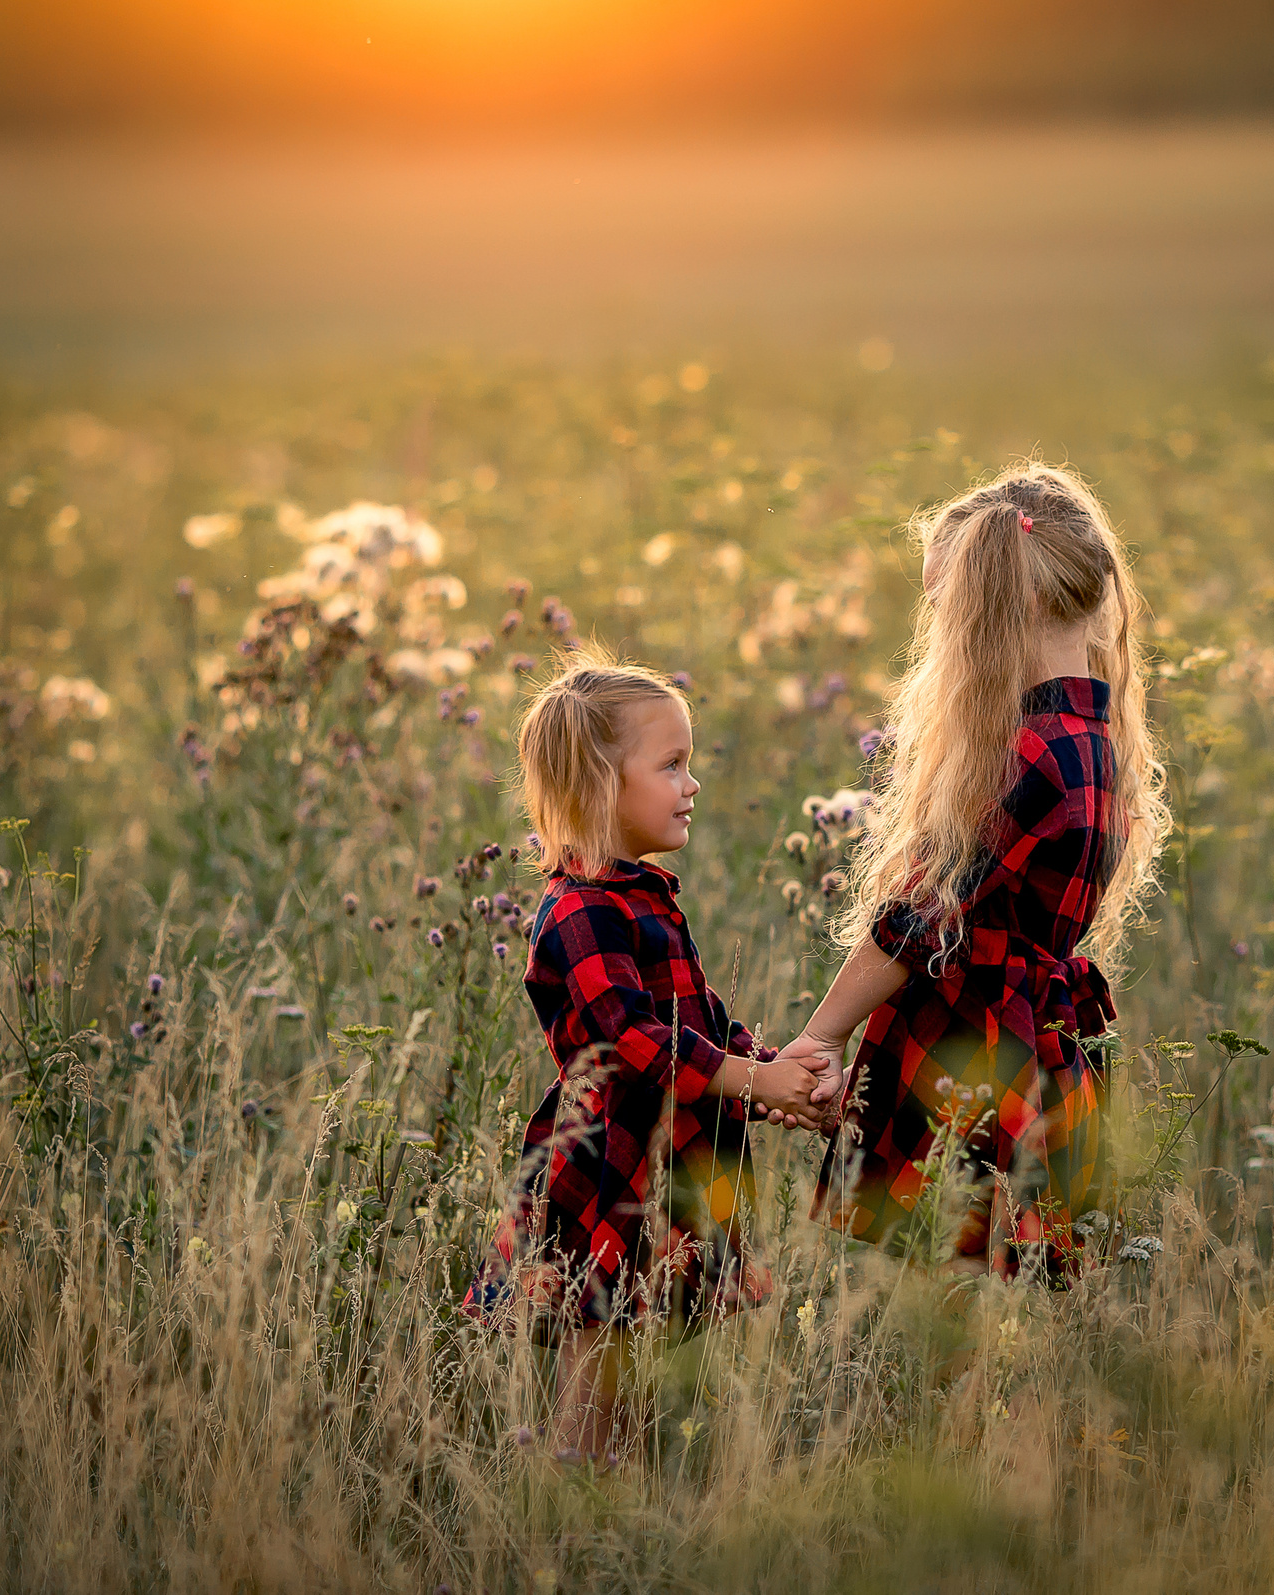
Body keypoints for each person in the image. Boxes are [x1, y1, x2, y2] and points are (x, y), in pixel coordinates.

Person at [784, 464, 1170, 1277]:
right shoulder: (1089, 737)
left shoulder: (1028, 752)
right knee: (979, 1305)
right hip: (1030, 1042)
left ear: (1003, 606)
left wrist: (821, 1034)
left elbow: (914, 919)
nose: (937, 629)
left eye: (946, 606)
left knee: (949, 1304)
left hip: (974, 1055)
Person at [465, 652, 832, 1462]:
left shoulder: (641, 895)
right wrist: (748, 1075)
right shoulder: (577, 911)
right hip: (610, 1170)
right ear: (600, 783)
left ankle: (617, 1526)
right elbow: (632, 1038)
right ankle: (571, 1523)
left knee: (639, 1378)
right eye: (671, 765)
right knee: (597, 1379)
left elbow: (699, 1021)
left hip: (665, 1167)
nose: (692, 783)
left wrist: (776, 1077)